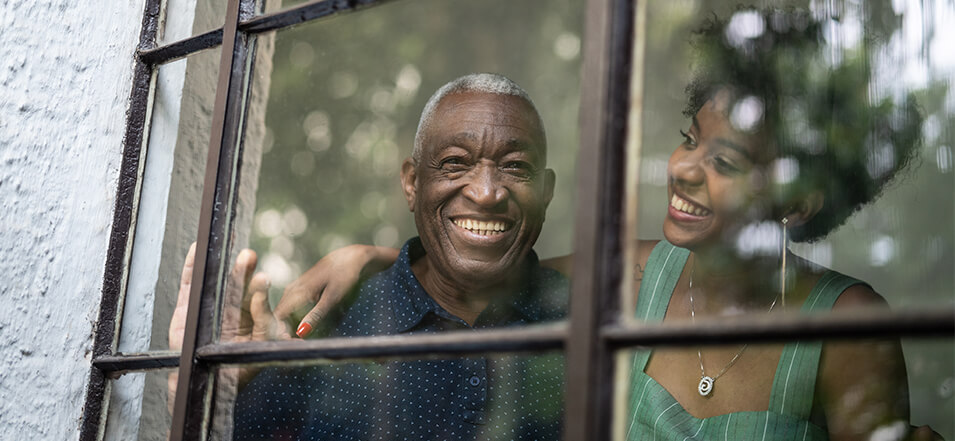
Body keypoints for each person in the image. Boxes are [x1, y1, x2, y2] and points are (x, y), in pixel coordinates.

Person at [277, 8, 942, 441]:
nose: (682, 169)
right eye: (689, 139)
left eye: (725, 160)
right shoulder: (633, 273)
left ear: (797, 202)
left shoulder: (848, 327)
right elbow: (484, 265)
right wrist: (372, 256)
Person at [172, 73, 569, 440]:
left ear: (546, 192)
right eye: (455, 163)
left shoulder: (586, 318)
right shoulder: (330, 321)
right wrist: (200, 395)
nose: (486, 193)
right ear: (413, 183)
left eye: (515, 167)